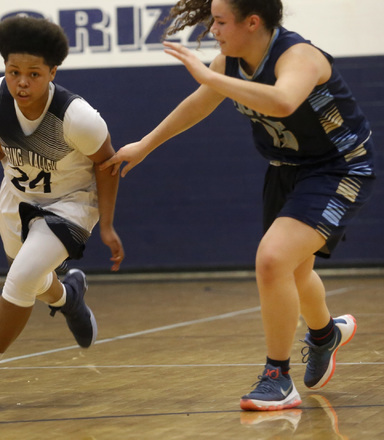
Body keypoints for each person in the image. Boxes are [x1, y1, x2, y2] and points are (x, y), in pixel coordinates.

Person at [101, 0, 375, 411]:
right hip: (286, 169)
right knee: (295, 273)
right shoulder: (228, 61)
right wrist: (146, 144)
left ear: (252, 22)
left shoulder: (299, 57)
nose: (214, 28)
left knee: (271, 261)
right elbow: (200, 102)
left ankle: (277, 377)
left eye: (221, 21)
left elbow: (283, 102)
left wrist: (212, 75)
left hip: (339, 168)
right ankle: (324, 335)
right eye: (213, 19)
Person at [0, 15, 124, 410]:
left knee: (21, 277)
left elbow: (107, 165)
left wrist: (106, 224)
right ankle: (69, 297)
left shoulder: (78, 118)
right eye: (13, 71)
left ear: (52, 72)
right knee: (35, 282)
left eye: (33, 74)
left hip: (70, 204)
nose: (21, 82)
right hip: (17, 198)